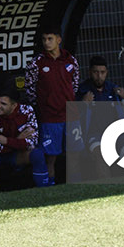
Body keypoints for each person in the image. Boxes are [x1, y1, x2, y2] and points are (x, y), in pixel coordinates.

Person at [25, 28, 78, 184]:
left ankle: (75, 183)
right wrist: (45, 104)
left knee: (74, 153)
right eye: (44, 39)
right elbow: (30, 88)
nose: (46, 42)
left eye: (50, 38)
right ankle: (50, 184)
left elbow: (74, 85)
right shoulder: (37, 63)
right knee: (50, 156)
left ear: (58, 40)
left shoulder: (71, 60)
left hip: (71, 114)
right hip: (50, 117)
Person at [0, 77, 49, 193]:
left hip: (16, 154)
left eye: (3, 104)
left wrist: (7, 141)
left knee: (37, 153)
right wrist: (18, 140)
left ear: (14, 105)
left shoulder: (27, 111)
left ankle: (45, 192)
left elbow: (32, 143)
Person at [74, 56, 124, 180]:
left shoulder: (113, 89)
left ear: (107, 73)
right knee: (102, 154)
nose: (99, 76)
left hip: (116, 132)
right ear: (90, 72)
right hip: (93, 135)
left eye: (102, 72)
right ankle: (107, 191)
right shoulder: (82, 91)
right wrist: (83, 104)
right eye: (95, 72)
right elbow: (73, 118)